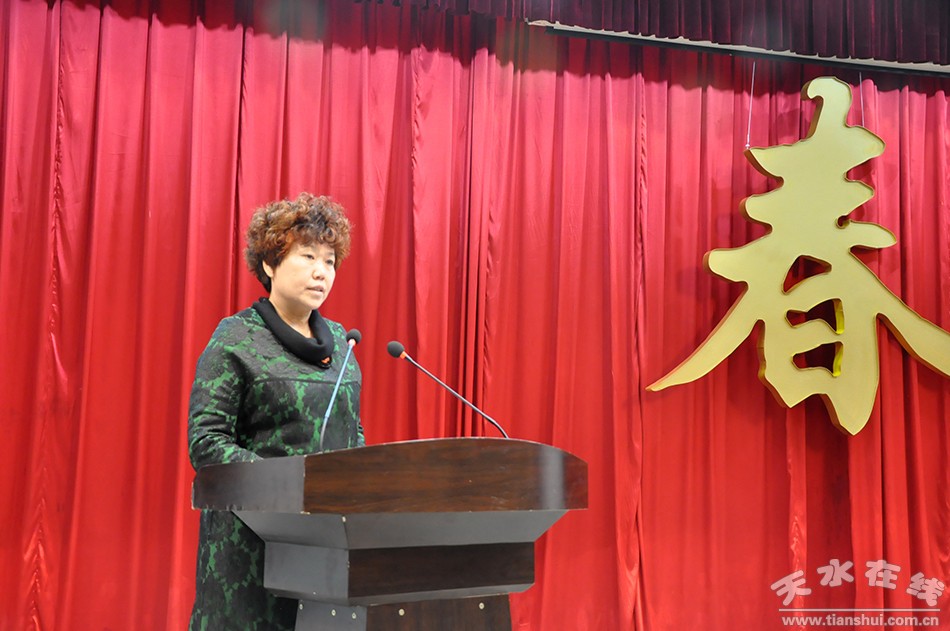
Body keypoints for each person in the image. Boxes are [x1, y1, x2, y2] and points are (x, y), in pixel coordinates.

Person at [187, 193, 364, 630]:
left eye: (330, 261)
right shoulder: (236, 338)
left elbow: (353, 433)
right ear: (270, 264)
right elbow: (207, 441)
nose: (322, 271)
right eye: (308, 256)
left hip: (327, 545)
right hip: (251, 547)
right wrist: (289, 484)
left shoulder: (342, 343)